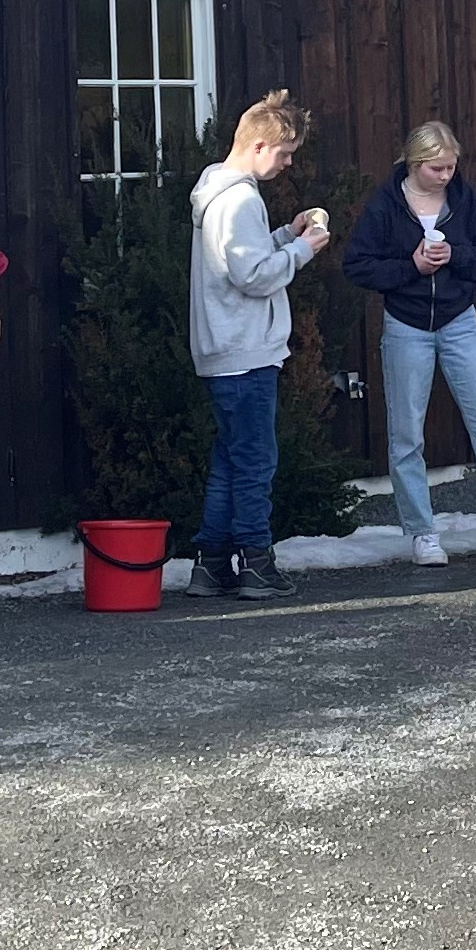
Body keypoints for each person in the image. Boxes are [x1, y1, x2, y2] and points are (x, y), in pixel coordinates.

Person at [348, 121, 476, 564]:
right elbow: (357, 266)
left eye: (451, 166)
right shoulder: (385, 205)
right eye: (437, 168)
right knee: (406, 435)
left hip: (459, 322)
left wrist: (455, 256)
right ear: (414, 164)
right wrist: (411, 266)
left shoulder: (465, 201)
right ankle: (421, 533)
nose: (446, 175)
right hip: (405, 327)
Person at [188, 92, 334, 599]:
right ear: (259, 145)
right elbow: (251, 277)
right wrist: (301, 249)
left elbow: (236, 261)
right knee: (254, 461)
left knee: (231, 458)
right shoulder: (241, 197)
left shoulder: (216, 192)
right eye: (285, 152)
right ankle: (255, 562)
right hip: (244, 350)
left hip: (222, 348)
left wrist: (280, 236)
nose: (289, 162)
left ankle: (210, 566)